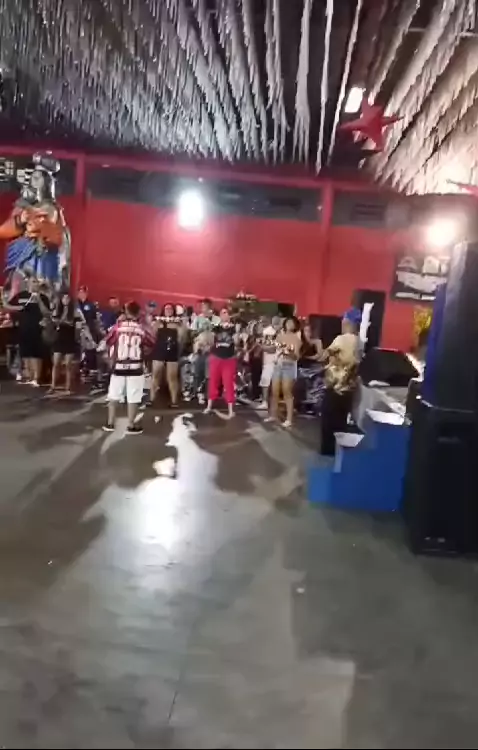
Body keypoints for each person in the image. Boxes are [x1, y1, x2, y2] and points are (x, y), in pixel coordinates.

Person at [103, 301, 155, 434]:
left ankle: (110, 423)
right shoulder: (141, 329)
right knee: (134, 396)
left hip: (119, 366)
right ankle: (131, 425)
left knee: (114, 395)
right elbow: (151, 342)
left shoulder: (118, 327)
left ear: (126, 312)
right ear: (138, 313)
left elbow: (108, 340)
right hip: (136, 367)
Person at [320, 308, 361, 456]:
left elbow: (324, 355)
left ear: (348, 322)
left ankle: (327, 453)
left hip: (334, 387)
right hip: (348, 389)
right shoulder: (360, 342)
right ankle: (339, 454)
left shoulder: (341, 339)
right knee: (341, 423)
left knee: (328, 423)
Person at [3, 276, 50, 386]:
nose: (35, 284)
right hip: (24, 329)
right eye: (33, 282)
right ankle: (30, 377)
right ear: (28, 283)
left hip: (37, 329)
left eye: (36, 282)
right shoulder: (21, 296)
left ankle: (37, 378)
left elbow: (47, 313)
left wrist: (38, 299)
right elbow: (7, 305)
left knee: (36, 354)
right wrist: (13, 305)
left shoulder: (43, 297)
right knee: (26, 353)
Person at [267, 316, 301, 428]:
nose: (289, 324)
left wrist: (288, 352)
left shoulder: (296, 339)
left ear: (295, 326)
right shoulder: (279, 336)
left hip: (288, 366)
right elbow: (273, 349)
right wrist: (264, 346)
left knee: (287, 391)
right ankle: (273, 415)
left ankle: (289, 419)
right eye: (288, 322)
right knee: (274, 391)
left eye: (292, 323)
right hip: (278, 365)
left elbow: (296, 356)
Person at [204, 307, 238, 419]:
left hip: (229, 359)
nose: (224, 315)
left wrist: (236, 332)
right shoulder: (216, 328)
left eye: (226, 313)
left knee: (229, 383)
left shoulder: (234, 328)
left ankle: (231, 410)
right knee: (213, 382)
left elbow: (237, 342)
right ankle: (209, 406)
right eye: (222, 313)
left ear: (229, 315)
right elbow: (210, 341)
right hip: (216, 358)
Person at [150, 303, 186, 407]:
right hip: (159, 350)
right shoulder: (158, 322)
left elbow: (182, 337)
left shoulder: (178, 324)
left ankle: (174, 401)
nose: (168, 310)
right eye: (166, 308)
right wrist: (155, 323)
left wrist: (182, 324)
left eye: (170, 309)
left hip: (172, 351)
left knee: (172, 377)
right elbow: (152, 334)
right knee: (155, 375)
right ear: (163, 310)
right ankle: (151, 399)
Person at [49, 289, 81, 394]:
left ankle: (68, 387)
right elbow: (55, 321)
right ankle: (53, 386)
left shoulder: (75, 312)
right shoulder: (57, 311)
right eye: (64, 298)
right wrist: (63, 317)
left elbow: (74, 324)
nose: (66, 300)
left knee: (68, 364)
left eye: (67, 298)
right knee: (56, 363)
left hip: (70, 339)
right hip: (59, 338)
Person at [258, 316, 280, 409]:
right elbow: (269, 347)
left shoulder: (280, 333)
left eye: (278, 323)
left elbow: (272, 348)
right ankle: (265, 402)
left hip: (277, 361)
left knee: (274, 383)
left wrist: (263, 347)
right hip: (269, 361)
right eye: (275, 323)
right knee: (266, 382)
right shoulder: (267, 332)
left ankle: (271, 402)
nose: (277, 325)